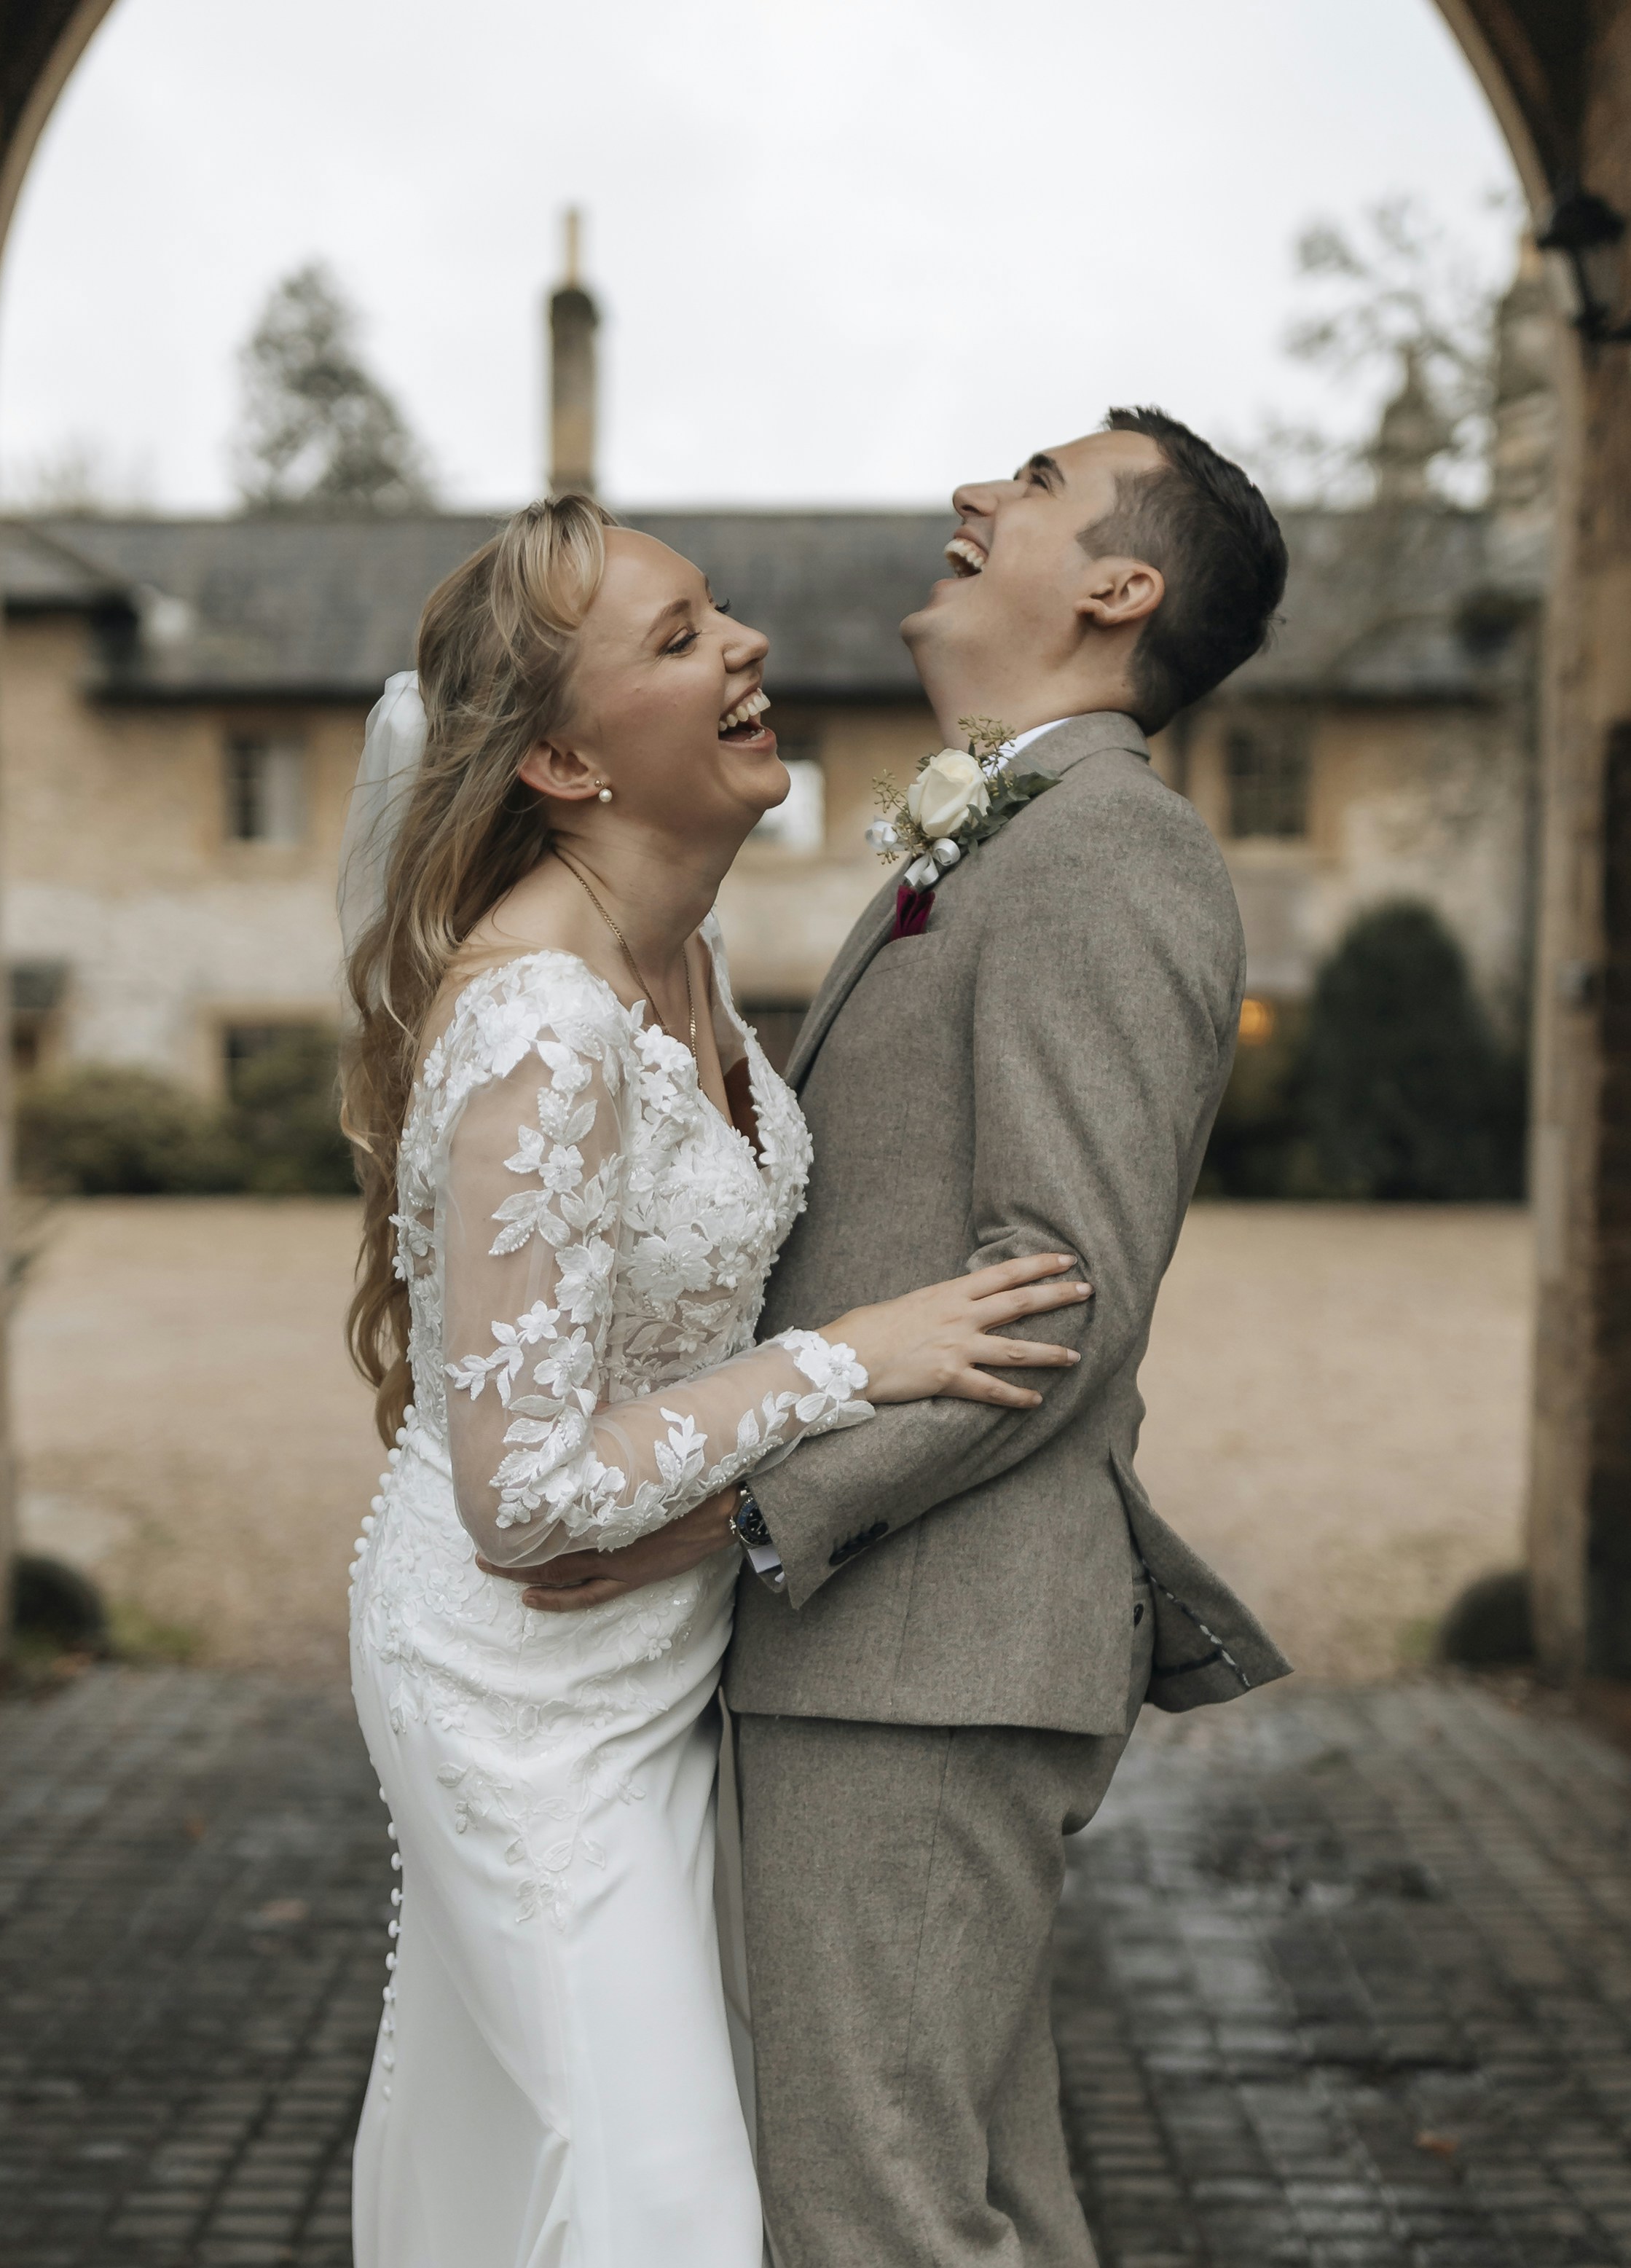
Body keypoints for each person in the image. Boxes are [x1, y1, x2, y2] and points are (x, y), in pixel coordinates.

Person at [517, 408, 1295, 2265]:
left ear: (1120, 587)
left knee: (869, 2211)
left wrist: (746, 1518)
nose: (970, 494)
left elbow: (1060, 1289)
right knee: (973, 2200)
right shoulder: (1015, 825)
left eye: (1030, 482)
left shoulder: (1109, 851)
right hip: (904, 1657)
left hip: (917, 1651)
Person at [339, 495, 1094, 2267]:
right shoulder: (539, 1016)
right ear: (562, 760)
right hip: (520, 1684)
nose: (747, 647)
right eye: (679, 641)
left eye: (721, 613)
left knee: (611, 2162)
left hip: (666, 1654)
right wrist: (851, 1358)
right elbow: (520, 1501)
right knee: (656, 2199)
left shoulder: (678, 962)